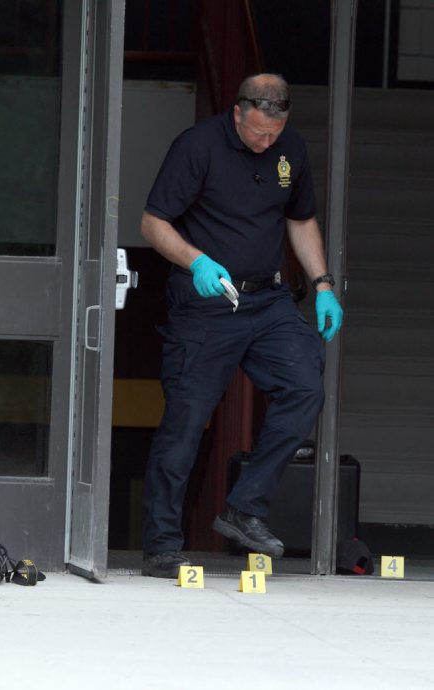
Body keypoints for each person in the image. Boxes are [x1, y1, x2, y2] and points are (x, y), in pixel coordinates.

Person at [140, 73, 343, 578]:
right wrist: (197, 262)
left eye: (273, 134)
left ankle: (245, 507)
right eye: (257, 134)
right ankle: (162, 545)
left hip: (268, 299)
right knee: (185, 424)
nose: (265, 142)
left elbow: (300, 219)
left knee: (304, 386)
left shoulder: (288, 147)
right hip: (206, 303)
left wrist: (321, 283)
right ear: (238, 113)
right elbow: (153, 223)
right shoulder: (197, 147)